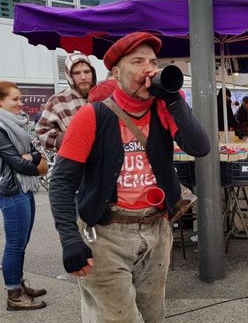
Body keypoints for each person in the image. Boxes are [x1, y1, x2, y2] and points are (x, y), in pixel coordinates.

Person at [48, 32, 210, 322]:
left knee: (152, 315)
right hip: (106, 234)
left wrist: (173, 99)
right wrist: (69, 239)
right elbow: (61, 182)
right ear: (115, 72)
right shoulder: (92, 116)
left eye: (152, 61)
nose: (148, 69)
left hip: (156, 230)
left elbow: (200, 146)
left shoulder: (163, 108)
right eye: (137, 62)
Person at [0, 81, 48, 311]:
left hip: (25, 188)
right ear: (1, 102)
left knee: (22, 241)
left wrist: (33, 157)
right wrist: (32, 160)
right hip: (12, 190)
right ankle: (13, 295)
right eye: (15, 99)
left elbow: (36, 152)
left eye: (21, 98)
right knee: (15, 244)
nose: (21, 103)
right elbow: (19, 164)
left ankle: (18, 284)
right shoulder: (1, 127)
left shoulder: (19, 125)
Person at [36, 53, 97, 152]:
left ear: (93, 73)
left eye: (86, 71)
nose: (83, 77)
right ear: (69, 76)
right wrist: (65, 139)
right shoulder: (57, 101)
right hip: (75, 160)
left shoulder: (103, 95)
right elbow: (42, 131)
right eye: (77, 73)